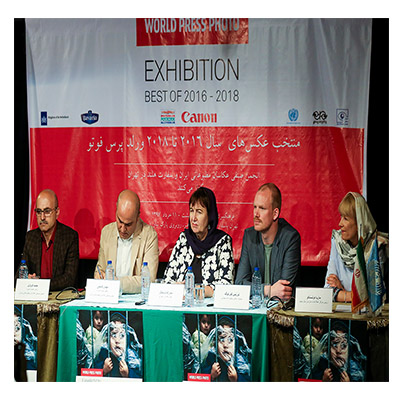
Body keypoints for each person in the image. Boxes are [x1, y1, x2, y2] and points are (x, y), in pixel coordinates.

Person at [163, 187, 234, 297]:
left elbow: (227, 285)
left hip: (208, 306)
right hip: (182, 303)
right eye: (192, 211)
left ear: (210, 216)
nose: (194, 218)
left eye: (199, 212)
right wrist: (176, 287)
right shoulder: (184, 239)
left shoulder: (222, 242)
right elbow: (166, 281)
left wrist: (196, 291)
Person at [235, 183, 301, 301]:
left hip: (280, 309)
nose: (256, 214)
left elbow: (283, 291)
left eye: (262, 208)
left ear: (275, 213)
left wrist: (256, 290)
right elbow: (239, 285)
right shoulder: (249, 236)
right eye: (255, 207)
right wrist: (268, 290)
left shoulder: (290, 238)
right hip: (256, 306)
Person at [324, 192, 389, 303]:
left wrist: (342, 292)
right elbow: (327, 291)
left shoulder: (376, 245)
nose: (340, 223)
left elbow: (373, 297)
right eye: (341, 217)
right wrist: (352, 296)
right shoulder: (337, 241)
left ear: (360, 222)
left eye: (346, 218)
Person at [94, 189, 159, 293]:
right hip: (109, 295)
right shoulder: (107, 232)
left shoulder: (149, 235)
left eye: (128, 224)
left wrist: (117, 282)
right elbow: (100, 269)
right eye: (120, 221)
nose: (123, 229)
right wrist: (99, 276)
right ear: (116, 211)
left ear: (137, 217)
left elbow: (148, 280)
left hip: (136, 299)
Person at [19, 189, 79, 291]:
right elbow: (19, 274)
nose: (42, 217)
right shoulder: (30, 237)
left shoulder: (69, 237)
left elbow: (69, 278)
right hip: (35, 295)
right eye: (39, 212)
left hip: (59, 296)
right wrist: (26, 279)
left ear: (57, 212)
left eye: (47, 211)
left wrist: (40, 285)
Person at [202, 316, 251, 382]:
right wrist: (211, 376)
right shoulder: (211, 358)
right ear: (215, 342)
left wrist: (236, 379)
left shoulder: (240, 362)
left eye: (230, 340)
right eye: (222, 339)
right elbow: (198, 378)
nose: (225, 345)